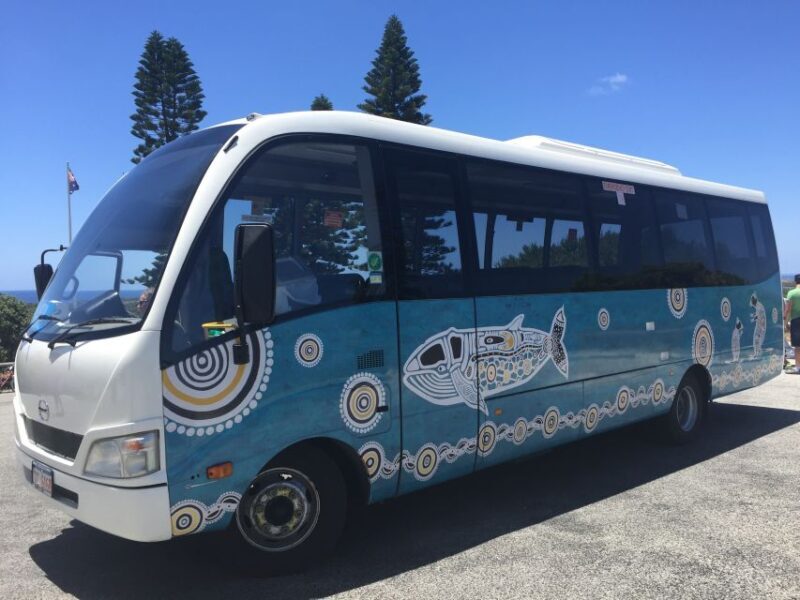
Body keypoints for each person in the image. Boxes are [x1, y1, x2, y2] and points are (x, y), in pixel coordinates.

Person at [785, 274, 800, 374]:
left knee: (797, 346)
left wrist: (785, 323)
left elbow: (788, 310)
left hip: (796, 321)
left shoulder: (792, 293)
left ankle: (798, 367)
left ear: (795, 282)